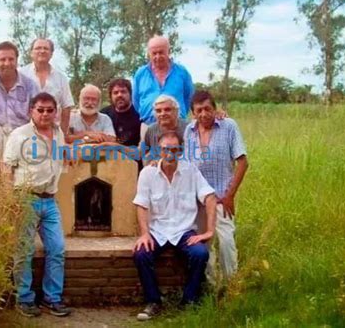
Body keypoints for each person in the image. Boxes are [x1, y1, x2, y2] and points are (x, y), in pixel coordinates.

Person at [133, 131, 217, 321]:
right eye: (165, 149)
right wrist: (144, 234)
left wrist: (209, 231)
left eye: (174, 149)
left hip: (184, 231)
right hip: (157, 231)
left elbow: (210, 197)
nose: (169, 153)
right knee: (140, 254)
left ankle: (189, 300)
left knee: (200, 254)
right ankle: (153, 301)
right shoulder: (147, 173)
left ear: (180, 151)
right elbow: (141, 204)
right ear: (158, 151)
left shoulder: (191, 171)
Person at [3, 92, 71, 318]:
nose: (45, 114)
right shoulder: (19, 135)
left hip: (50, 201)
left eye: (49, 110)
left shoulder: (59, 133)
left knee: (57, 249)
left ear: (55, 112)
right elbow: (6, 168)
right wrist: (10, 200)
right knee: (24, 250)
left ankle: (52, 298)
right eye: (40, 109)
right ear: (31, 110)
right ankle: (24, 299)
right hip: (25, 199)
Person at [184, 91, 248, 286]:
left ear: (215, 108)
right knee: (204, 245)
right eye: (199, 110)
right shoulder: (189, 131)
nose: (204, 114)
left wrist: (230, 196)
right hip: (199, 200)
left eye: (207, 109)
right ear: (193, 113)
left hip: (221, 197)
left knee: (226, 241)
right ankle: (211, 287)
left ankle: (231, 286)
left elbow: (243, 162)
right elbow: (187, 164)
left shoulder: (228, 126)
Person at [132, 35, 194, 138]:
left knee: (179, 153)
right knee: (146, 153)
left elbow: (189, 98)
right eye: (154, 53)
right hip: (148, 125)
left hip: (177, 126)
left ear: (168, 52)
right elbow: (136, 101)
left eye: (161, 52)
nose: (157, 56)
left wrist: (176, 115)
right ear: (149, 54)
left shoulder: (182, 72)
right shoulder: (140, 74)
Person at [0, 41, 39, 135]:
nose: (7, 63)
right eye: (2, 59)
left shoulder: (30, 85)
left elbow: (39, 114)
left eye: (11, 59)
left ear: (17, 60)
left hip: (22, 137)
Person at [20, 38, 75, 134]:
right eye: (38, 48)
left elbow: (66, 107)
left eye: (46, 48)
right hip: (25, 131)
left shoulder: (61, 78)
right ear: (31, 53)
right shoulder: (21, 74)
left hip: (51, 132)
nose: (42, 51)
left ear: (51, 54)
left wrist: (62, 134)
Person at [100, 78, 141, 147]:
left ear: (130, 94)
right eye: (115, 93)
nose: (119, 95)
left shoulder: (139, 114)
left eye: (123, 92)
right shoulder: (104, 114)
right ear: (111, 96)